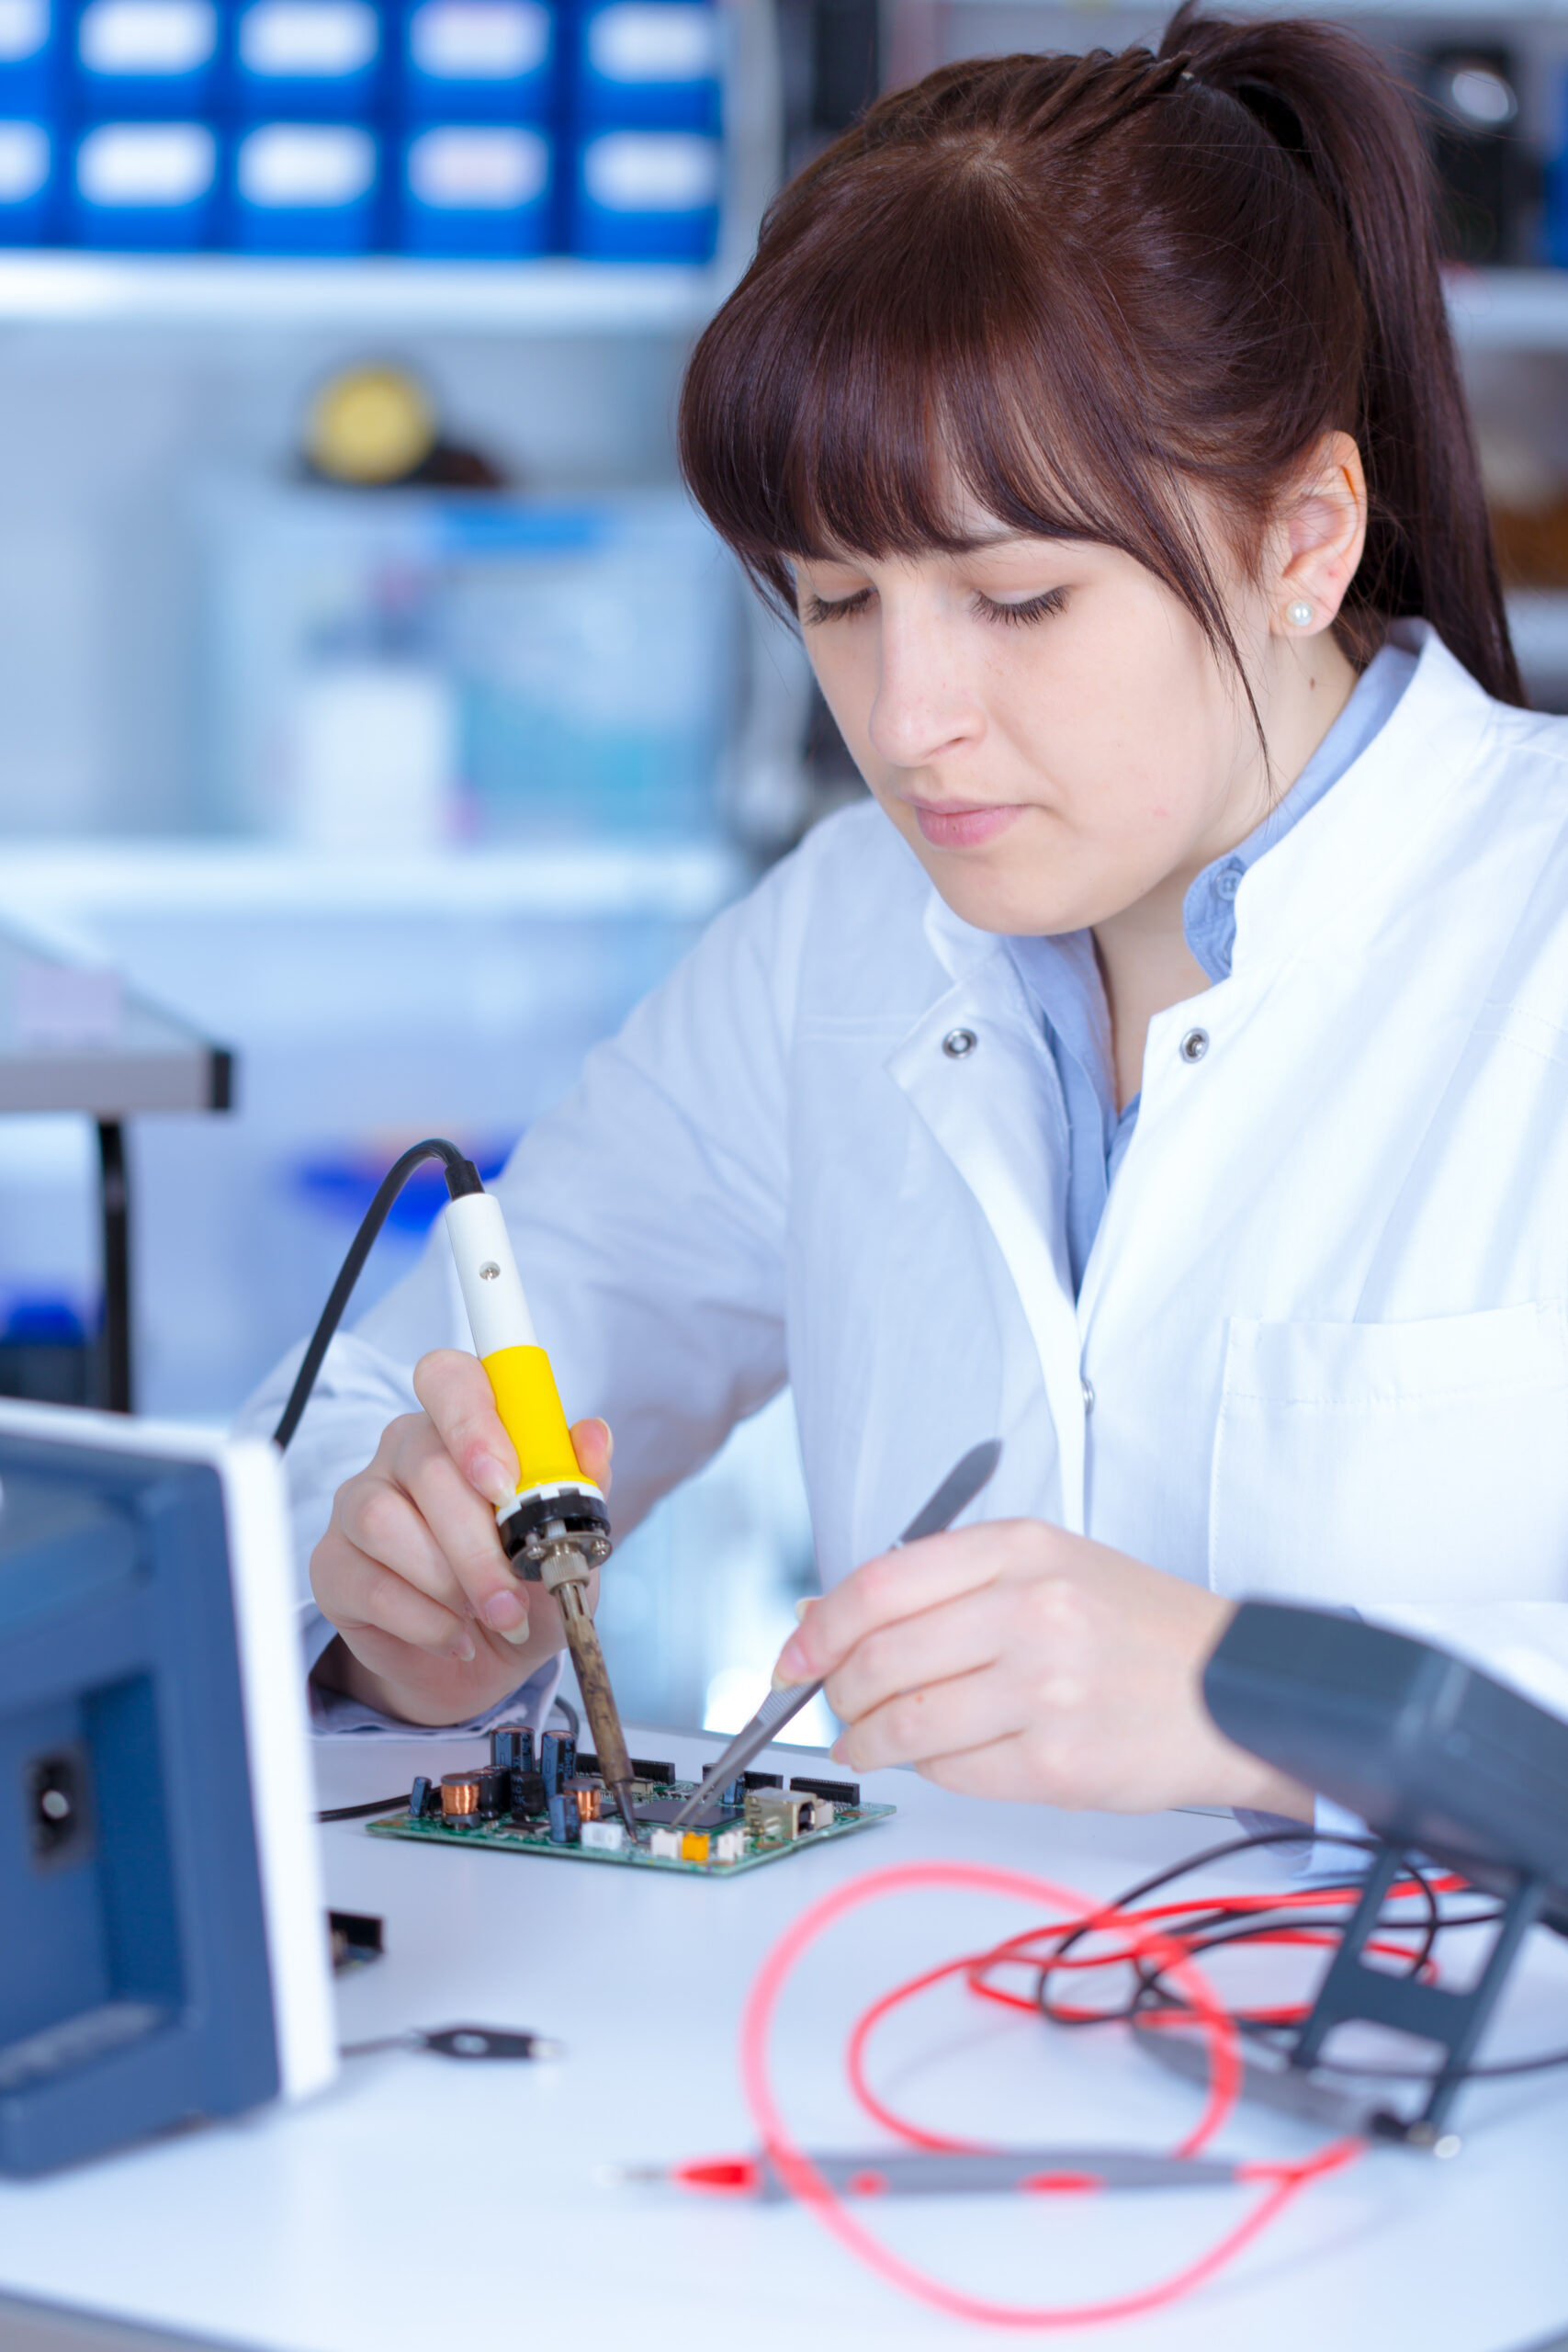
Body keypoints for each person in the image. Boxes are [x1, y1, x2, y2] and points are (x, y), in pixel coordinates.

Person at [244, 4, 1568, 1826]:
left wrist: (1267, 1704)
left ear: (1302, 538)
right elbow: (391, 1396)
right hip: (920, 1998)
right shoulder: (844, 934)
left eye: (1016, 599)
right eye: (837, 599)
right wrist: (401, 1606)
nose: (905, 719)